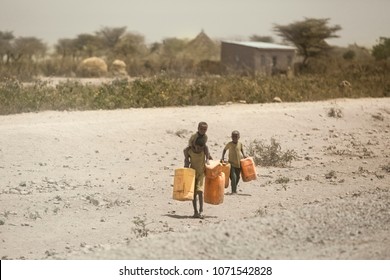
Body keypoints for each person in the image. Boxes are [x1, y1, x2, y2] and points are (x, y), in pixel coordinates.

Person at [183, 121, 211, 218]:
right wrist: (187, 159)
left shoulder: (205, 140)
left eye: (205, 129)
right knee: (193, 193)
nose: (203, 131)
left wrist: (208, 157)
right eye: (201, 129)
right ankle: (195, 211)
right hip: (192, 173)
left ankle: (201, 208)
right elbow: (187, 148)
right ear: (198, 128)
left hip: (201, 172)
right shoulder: (193, 138)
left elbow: (205, 147)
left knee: (200, 191)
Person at [221, 130, 247, 194]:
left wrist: (244, 155)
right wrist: (222, 158)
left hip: (239, 164)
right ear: (231, 137)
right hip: (231, 164)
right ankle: (233, 191)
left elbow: (241, 150)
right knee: (234, 177)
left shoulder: (240, 144)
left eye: (236, 136)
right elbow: (224, 150)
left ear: (239, 137)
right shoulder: (229, 144)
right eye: (233, 136)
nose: (235, 137)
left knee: (238, 177)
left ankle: (234, 187)